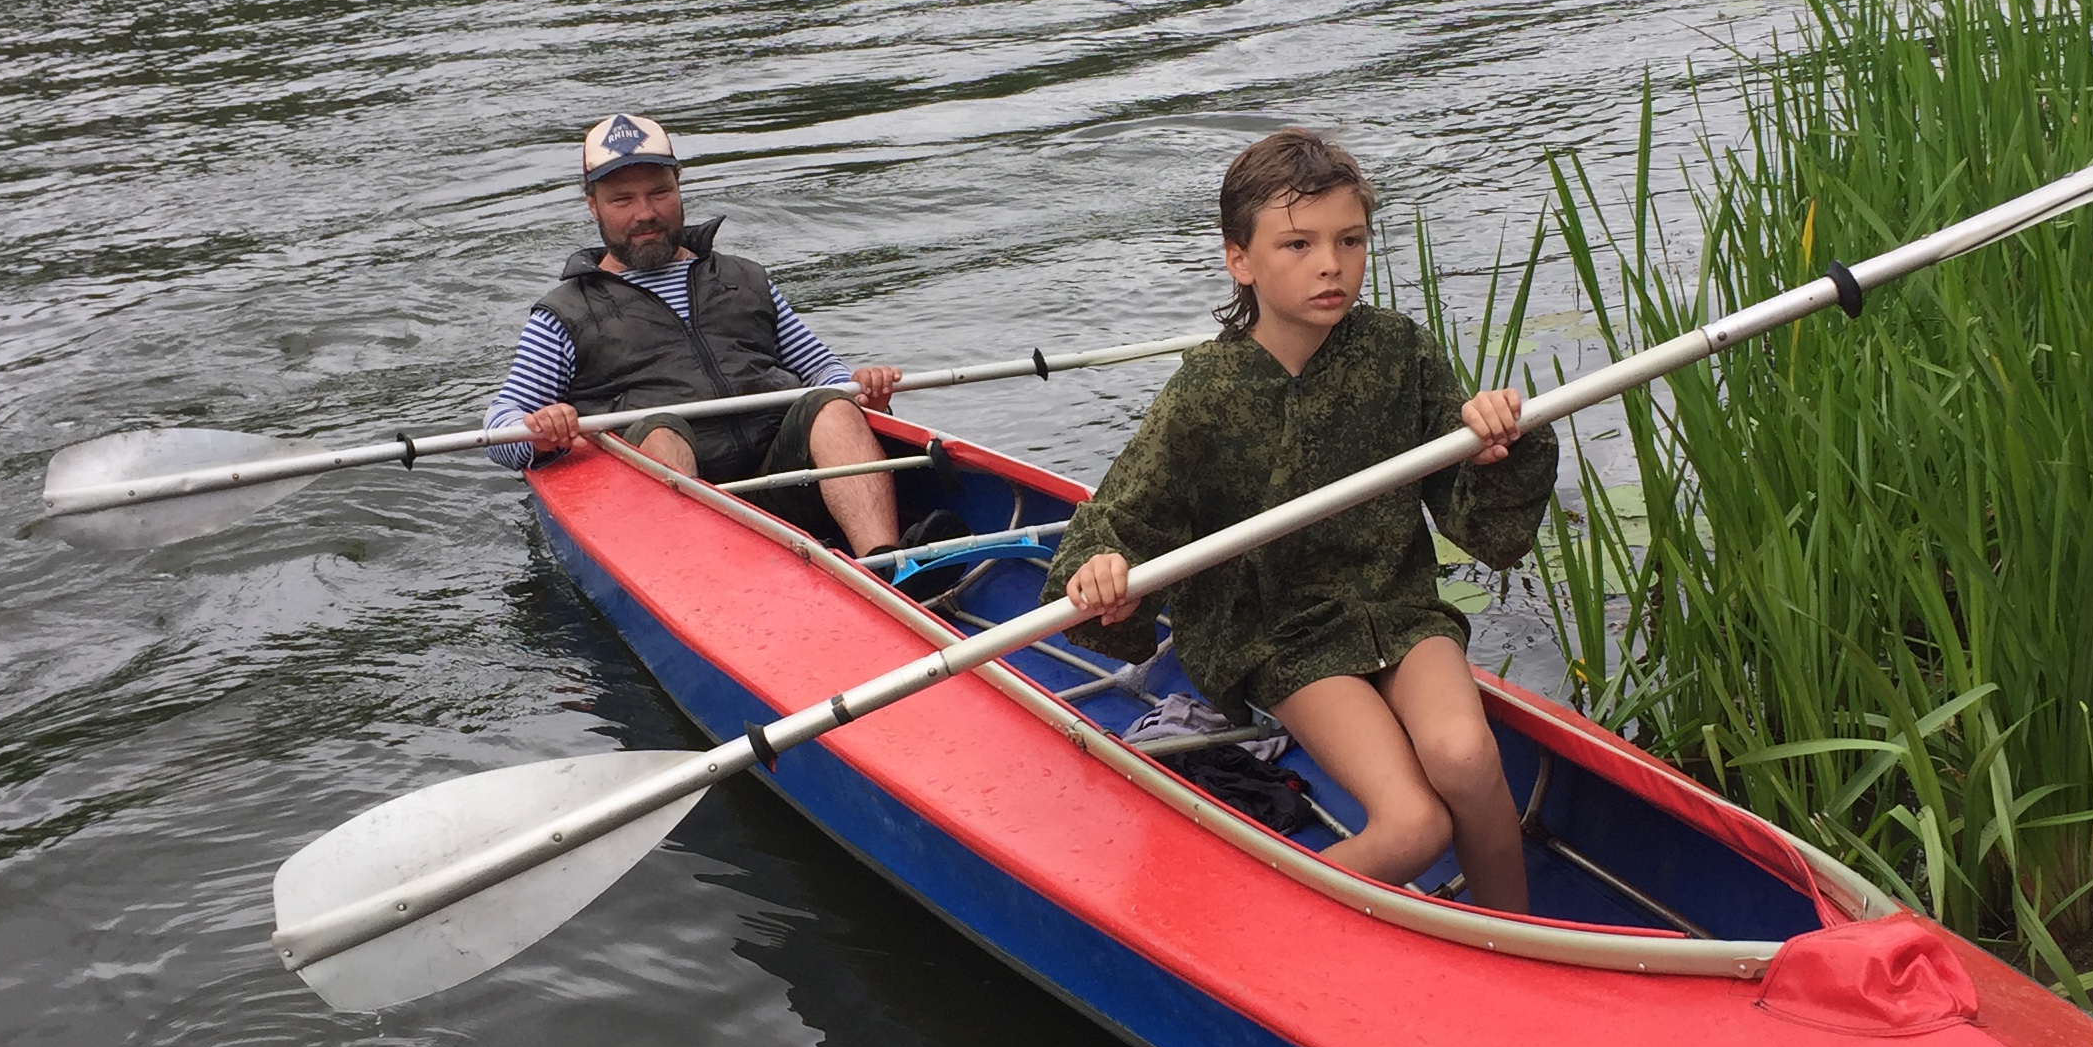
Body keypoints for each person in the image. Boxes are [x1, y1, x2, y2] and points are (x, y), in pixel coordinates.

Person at [1040, 129, 1558, 910]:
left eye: (1350, 240)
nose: (1331, 264)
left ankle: (1518, 943)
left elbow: (1477, 523)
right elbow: (1115, 524)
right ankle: (1260, 931)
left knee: (1464, 756)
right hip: (1281, 631)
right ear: (1240, 260)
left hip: (1397, 605)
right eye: (1298, 244)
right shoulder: (1206, 394)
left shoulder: (1397, 352)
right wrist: (1102, 569)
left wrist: (1494, 446)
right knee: (1414, 825)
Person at [485, 113, 914, 552]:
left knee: (833, 407)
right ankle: (710, 580)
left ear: (679, 185)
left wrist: (861, 393)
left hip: (785, 477)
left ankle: (890, 564)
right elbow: (501, 426)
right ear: (592, 205)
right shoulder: (563, 313)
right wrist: (537, 430)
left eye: (660, 193)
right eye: (622, 200)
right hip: (669, 497)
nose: (645, 214)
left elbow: (820, 367)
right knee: (659, 433)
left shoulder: (745, 279)